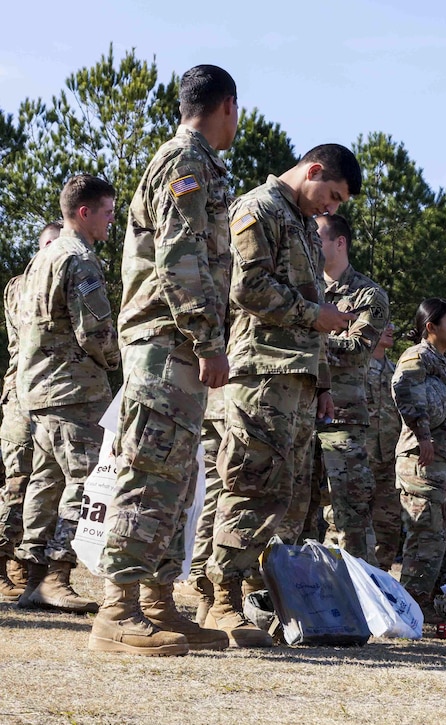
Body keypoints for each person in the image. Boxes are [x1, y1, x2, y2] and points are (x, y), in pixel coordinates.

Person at [88, 66, 238, 655]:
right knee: (149, 469)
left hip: (176, 344)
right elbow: (179, 261)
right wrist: (208, 339)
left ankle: (155, 601)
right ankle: (116, 609)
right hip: (165, 341)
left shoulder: (198, 163)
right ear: (229, 104)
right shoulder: (184, 162)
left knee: (176, 476)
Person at [202, 144, 360, 647]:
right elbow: (244, 287)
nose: (329, 209)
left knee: (282, 495)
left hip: (297, 379)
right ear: (312, 171)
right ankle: (220, 597)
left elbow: (310, 302)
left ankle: (251, 593)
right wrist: (315, 316)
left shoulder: (302, 227)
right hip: (262, 372)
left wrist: (325, 384)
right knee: (250, 484)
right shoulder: (259, 210)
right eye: (330, 195)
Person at [16, 176, 119, 615]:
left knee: (46, 481)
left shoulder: (42, 259)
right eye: (108, 212)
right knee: (86, 480)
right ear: (84, 212)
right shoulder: (80, 261)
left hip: (38, 389)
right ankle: (57, 577)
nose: (112, 221)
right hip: (73, 390)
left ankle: (33, 577)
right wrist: (118, 361)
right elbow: (96, 333)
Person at [392, 298, 446, 619]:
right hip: (424, 458)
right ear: (431, 327)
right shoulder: (417, 356)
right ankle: (413, 606)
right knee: (427, 533)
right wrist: (423, 433)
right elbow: (404, 389)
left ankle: (440, 598)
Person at [315, 213, 389, 561]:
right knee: (300, 518)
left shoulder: (369, 294)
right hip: (302, 417)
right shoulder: (306, 287)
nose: (311, 246)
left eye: (318, 239)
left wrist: (307, 342)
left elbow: (358, 351)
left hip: (342, 422)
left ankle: (362, 603)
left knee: (350, 520)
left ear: (339, 242)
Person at [0, 222, 60, 601]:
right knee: (18, 480)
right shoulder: (24, 285)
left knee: (45, 480)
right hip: (22, 394)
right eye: (48, 245)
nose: (55, 250)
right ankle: (2, 559)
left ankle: (23, 563)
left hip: (49, 391)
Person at [367, 323, 401, 569]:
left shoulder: (396, 371)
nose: (390, 328)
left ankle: (381, 581)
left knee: (389, 527)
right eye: (383, 322)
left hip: (389, 461)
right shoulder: (354, 368)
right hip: (358, 460)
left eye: (391, 323)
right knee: (349, 526)